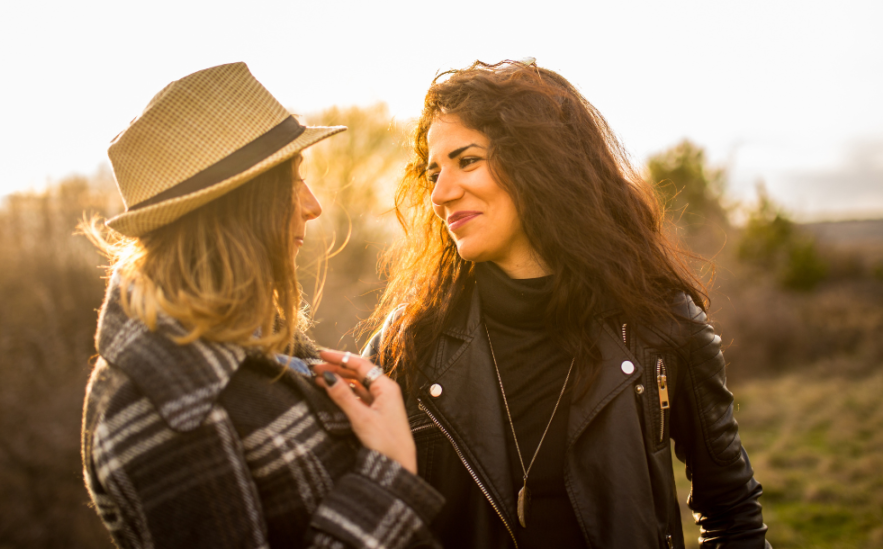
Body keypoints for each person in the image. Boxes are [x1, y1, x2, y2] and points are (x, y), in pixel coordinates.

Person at [363, 60, 771, 548]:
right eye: (434, 172)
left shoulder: (661, 327)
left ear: (539, 162)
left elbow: (733, 517)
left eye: (467, 161)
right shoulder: (409, 341)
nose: (441, 193)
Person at [81, 62, 444, 548]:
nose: (313, 205)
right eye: (294, 180)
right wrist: (389, 477)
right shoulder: (161, 409)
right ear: (238, 207)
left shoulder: (248, 346)